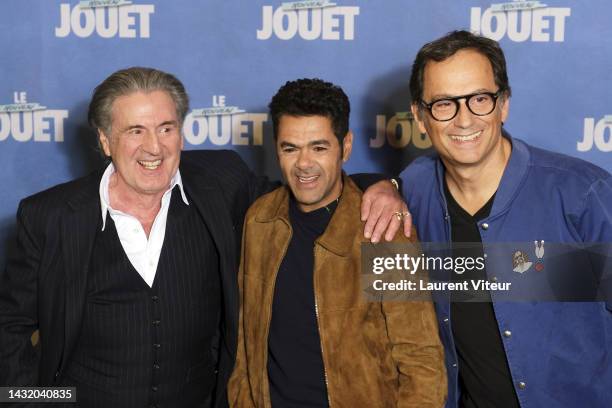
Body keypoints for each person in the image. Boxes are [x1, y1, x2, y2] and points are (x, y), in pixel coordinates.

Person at [0, 67, 409, 408]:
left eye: (166, 128)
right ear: (105, 140)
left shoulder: (221, 183)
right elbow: (11, 329)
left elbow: (307, 185)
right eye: (135, 131)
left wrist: (381, 184)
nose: (153, 147)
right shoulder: (48, 217)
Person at [399, 30, 612, 407]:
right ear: (419, 116)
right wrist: (382, 188)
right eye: (444, 104)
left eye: (480, 99)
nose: (464, 120)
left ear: (504, 105)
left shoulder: (581, 195)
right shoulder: (415, 193)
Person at [228, 78, 447, 407]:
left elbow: (422, 361)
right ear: (276, 148)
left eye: (319, 147)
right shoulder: (259, 221)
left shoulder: (384, 229)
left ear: (345, 147)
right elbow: (247, 349)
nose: (304, 163)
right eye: (290, 148)